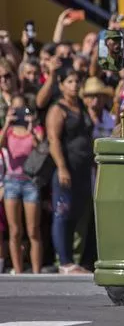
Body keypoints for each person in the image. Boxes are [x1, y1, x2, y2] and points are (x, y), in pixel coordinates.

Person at [45, 69, 95, 274]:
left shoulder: (81, 106)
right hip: (67, 168)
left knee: (79, 214)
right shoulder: (58, 109)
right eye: (70, 81)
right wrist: (62, 167)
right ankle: (64, 262)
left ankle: (81, 260)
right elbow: (53, 140)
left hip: (84, 170)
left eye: (77, 81)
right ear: (61, 84)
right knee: (62, 214)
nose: (74, 85)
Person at [1, 95, 45, 274]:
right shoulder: (8, 131)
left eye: (22, 110)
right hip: (11, 181)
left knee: (33, 230)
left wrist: (32, 127)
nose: (19, 113)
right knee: (15, 231)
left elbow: (41, 148)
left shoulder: (34, 129)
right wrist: (6, 123)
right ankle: (18, 271)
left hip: (30, 182)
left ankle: (36, 271)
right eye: (15, 110)